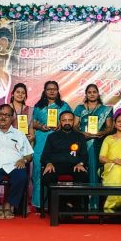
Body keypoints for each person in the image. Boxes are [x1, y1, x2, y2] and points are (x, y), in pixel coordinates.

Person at [31, 81, 72, 209]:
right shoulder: (38, 106)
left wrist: (61, 125)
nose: (52, 91)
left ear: (58, 91)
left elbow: (70, 121)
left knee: (55, 170)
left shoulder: (64, 106)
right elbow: (33, 123)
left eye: (54, 89)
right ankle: (39, 203)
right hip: (41, 140)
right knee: (39, 169)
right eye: (49, 89)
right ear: (45, 91)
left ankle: (55, 203)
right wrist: (41, 126)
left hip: (59, 140)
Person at [41, 111, 90, 209]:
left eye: (70, 120)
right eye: (64, 120)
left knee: (83, 176)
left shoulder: (80, 136)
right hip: (56, 166)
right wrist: (48, 163)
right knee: (47, 177)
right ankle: (57, 206)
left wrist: (81, 163)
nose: (67, 122)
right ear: (60, 121)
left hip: (74, 165)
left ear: (73, 121)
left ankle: (73, 205)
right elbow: (45, 155)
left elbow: (84, 155)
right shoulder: (52, 136)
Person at [73, 84, 112, 188]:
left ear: (98, 94)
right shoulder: (80, 108)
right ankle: (85, 195)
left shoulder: (105, 109)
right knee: (83, 168)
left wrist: (102, 132)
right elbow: (75, 126)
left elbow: (109, 127)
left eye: (94, 92)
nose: (92, 94)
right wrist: (82, 133)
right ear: (86, 94)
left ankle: (96, 195)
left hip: (99, 142)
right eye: (89, 92)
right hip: (82, 142)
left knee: (97, 168)